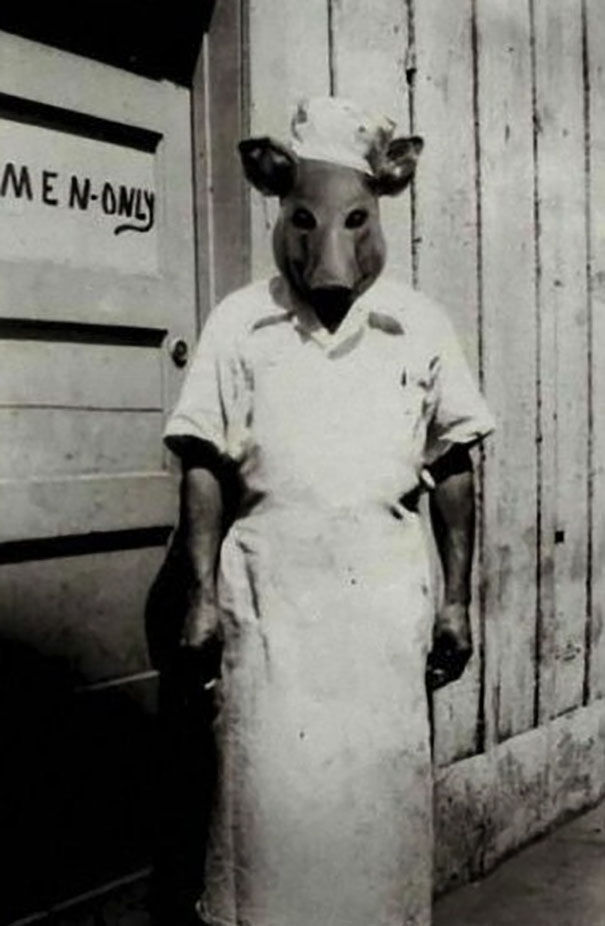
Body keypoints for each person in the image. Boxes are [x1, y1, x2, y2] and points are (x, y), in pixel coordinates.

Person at [160, 98, 494, 926]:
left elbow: (453, 462)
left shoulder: (418, 325)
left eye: (352, 221)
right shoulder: (240, 321)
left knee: (372, 815)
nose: (328, 256)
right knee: (268, 810)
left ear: (381, 205)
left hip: (379, 621)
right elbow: (201, 458)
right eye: (305, 222)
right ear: (278, 204)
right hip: (270, 614)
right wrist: (199, 595)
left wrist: (455, 600)